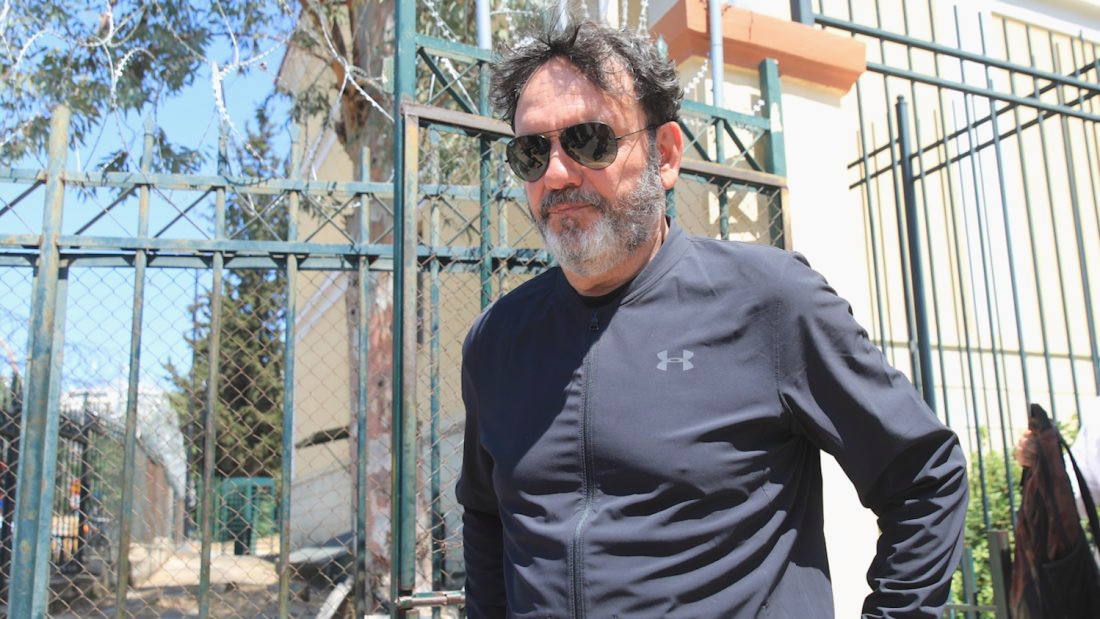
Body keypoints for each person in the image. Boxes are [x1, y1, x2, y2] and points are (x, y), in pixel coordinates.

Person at [456, 19, 968, 618]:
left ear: (666, 155)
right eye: (532, 151)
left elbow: (925, 477)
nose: (557, 174)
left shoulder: (770, 302)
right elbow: (486, 516)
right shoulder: (497, 341)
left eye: (589, 141)